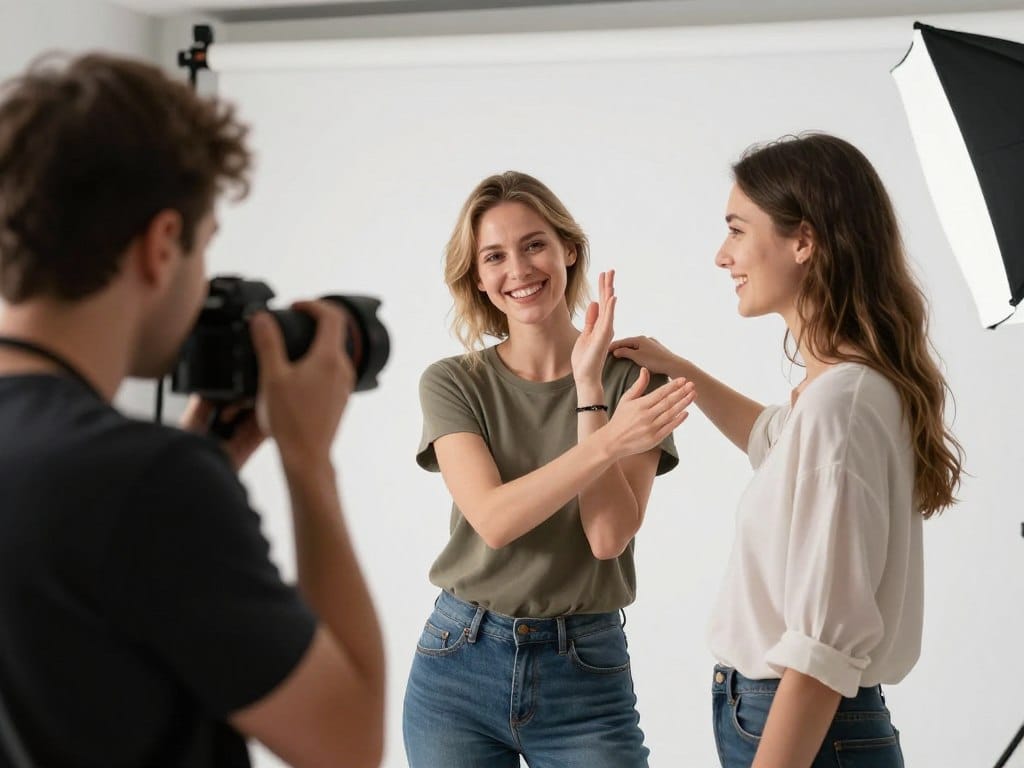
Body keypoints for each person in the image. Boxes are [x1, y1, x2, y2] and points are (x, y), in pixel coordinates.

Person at [0, 53, 384, 767]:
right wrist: (308, 461)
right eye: (205, 247)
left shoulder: (128, 480)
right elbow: (347, 743)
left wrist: (201, 460)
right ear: (163, 244)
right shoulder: (146, 483)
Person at [611, 133, 964, 768]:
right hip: (792, 721)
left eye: (737, 230)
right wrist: (681, 369)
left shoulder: (842, 404)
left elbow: (823, 648)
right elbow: (777, 440)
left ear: (803, 241)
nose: (723, 256)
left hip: (804, 725)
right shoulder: (836, 392)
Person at [402, 170, 694, 768]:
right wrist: (610, 438)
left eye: (534, 244)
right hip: (459, 660)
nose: (519, 269)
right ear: (478, 279)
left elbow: (608, 537)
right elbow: (494, 520)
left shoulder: (630, 377)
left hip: (583, 666)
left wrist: (589, 387)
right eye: (495, 256)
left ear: (568, 249)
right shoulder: (453, 382)